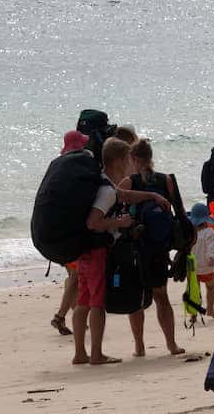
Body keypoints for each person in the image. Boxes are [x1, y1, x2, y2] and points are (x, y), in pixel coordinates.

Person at [72, 138, 170, 366]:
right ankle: (96, 354)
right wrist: (119, 222)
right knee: (96, 302)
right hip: (97, 252)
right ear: (119, 161)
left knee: (83, 300)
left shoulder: (102, 183)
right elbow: (93, 222)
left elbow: (124, 195)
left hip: (85, 251)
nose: (129, 164)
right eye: (127, 159)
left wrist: (152, 196)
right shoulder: (106, 190)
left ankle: (80, 353)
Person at [117, 139, 185, 357]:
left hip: (136, 247)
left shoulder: (130, 181)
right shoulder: (167, 180)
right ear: (151, 157)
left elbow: (117, 204)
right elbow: (179, 213)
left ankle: (139, 346)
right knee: (161, 296)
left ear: (134, 158)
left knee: (136, 297)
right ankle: (172, 344)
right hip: (159, 248)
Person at [51, 130, 91, 336]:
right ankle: (61, 316)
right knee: (76, 278)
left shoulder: (59, 166)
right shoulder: (75, 168)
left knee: (73, 278)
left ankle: (74, 317)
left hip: (59, 235)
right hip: (72, 236)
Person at [189, 202, 214, 319]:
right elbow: (211, 247)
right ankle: (210, 309)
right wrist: (211, 257)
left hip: (192, 267)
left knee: (194, 290)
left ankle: (193, 314)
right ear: (206, 220)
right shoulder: (209, 232)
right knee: (211, 287)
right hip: (206, 266)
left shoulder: (190, 233)